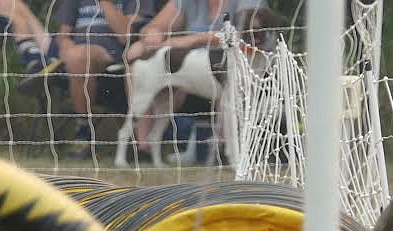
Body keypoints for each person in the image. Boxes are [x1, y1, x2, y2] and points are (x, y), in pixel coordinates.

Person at [123, 0, 267, 161]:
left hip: (232, 71)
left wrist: (193, 39)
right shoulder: (187, 2)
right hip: (189, 73)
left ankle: (226, 150)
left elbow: (247, 34)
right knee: (137, 51)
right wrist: (152, 33)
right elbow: (155, 26)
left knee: (227, 92)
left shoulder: (247, 3)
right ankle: (143, 147)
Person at [54, 0, 157, 156]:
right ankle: (83, 128)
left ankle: (83, 132)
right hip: (77, 55)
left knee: (79, 57)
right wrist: (65, 44)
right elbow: (64, 34)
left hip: (113, 55)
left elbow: (126, 36)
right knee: (77, 57)